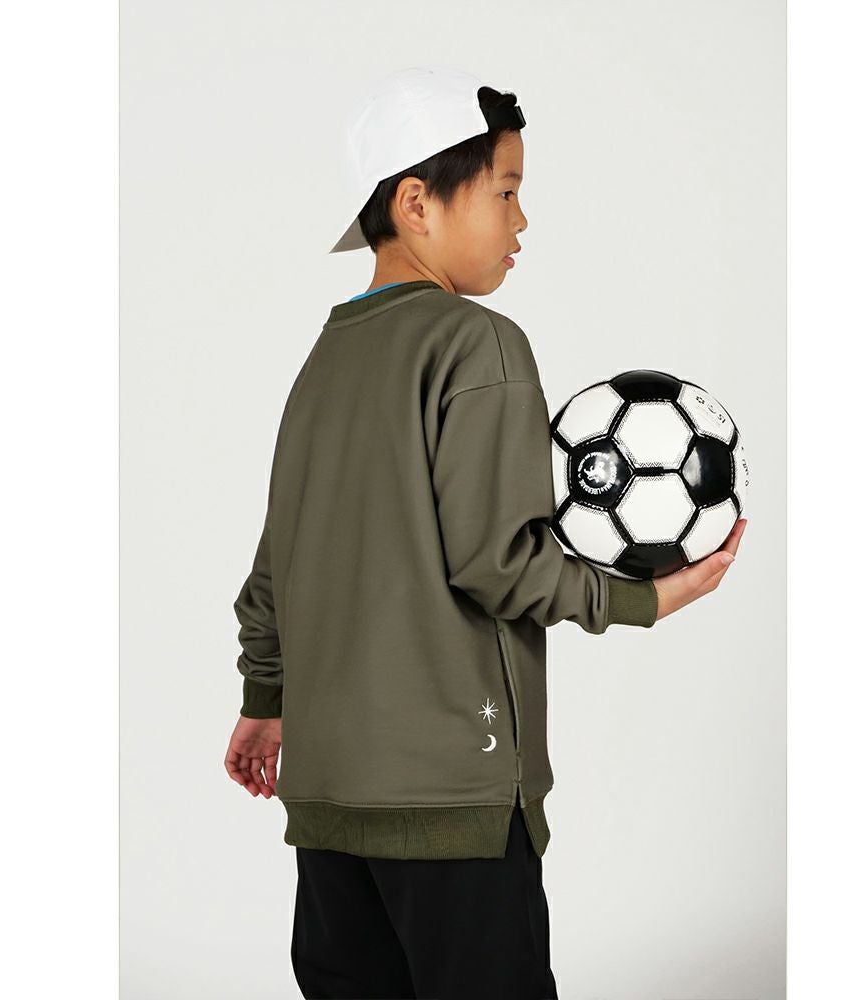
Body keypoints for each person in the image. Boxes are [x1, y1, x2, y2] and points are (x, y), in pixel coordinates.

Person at [223, 66, 747, 1000]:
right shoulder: (479, 342)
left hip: (328, 798)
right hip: (451, 801)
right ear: (416, 203)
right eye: (505, 191)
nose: (521, 220)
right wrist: (648, 598)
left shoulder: (325, 359)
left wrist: (266, 700)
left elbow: (273, 571)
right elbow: (499, 564)